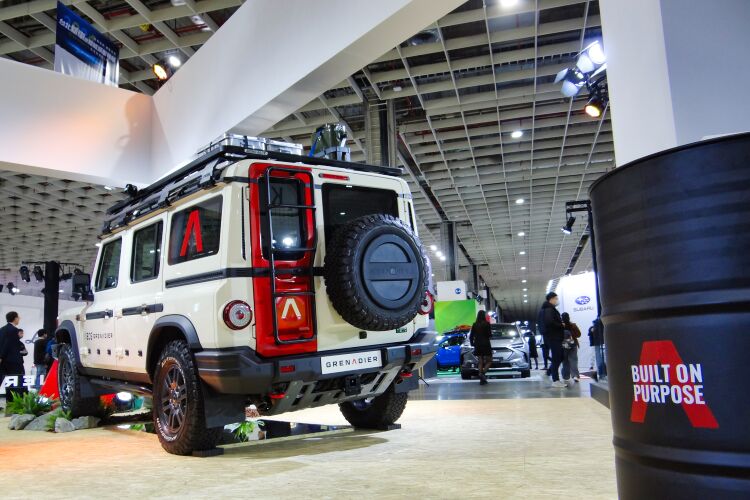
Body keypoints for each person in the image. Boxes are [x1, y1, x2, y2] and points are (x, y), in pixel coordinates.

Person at [540, 292, 566, 388]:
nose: (557, 300)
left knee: (560, 356)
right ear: (551, 299)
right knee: (557, 357)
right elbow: (549, 322)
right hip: (553, 337)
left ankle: (550, 372)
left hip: (554, 337)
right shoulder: (549, 309)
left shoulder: (548, 309)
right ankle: (555, 380)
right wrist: (560, 325)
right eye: (556, 298)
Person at [0, 327, 28, 400]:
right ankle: (12, 399)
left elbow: (25, 352)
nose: (22, 334)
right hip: (11, 366)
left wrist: (17, 353)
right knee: (12, 382)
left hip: (18, 365)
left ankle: (18, 398)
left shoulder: (20, 343)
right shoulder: (8, 343)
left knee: (19, 382)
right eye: (20, 333)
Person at [469, 310, 492, 385]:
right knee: (489, 361)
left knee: (480, 361)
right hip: (486, 344)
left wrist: (472, 343)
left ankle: (481, 377)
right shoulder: (487, 324)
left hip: (477, 344)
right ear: (484, 316)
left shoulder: (475, 324)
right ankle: (482, 374)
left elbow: (471, 336)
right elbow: (489, 335)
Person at [560, 312, 581, 383]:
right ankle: (575, 376)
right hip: (573, 344)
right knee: (573, 360)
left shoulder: (560, 326)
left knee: (565, 361)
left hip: (563, 345)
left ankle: (566, 376)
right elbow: (579, 334)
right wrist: (571, 335)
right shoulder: (573, 325)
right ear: (569, 317)